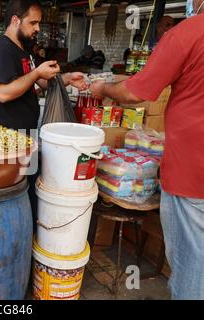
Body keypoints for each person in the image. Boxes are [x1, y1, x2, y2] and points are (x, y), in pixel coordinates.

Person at [89, 0, 204, 300]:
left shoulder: (186, 34)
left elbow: (134, 93)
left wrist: (102, 89)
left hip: (192, 174)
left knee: (193, 266)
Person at [0, 0, 87, 131]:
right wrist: (37, 73)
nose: (38, 28)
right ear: (15, 21)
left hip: (27, 128)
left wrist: (68, 78)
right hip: (9, 133)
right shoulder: (2, 50)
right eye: (33, 23)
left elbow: (42, 82)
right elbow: (3, 94)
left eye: (38, 23)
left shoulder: (25, 48)